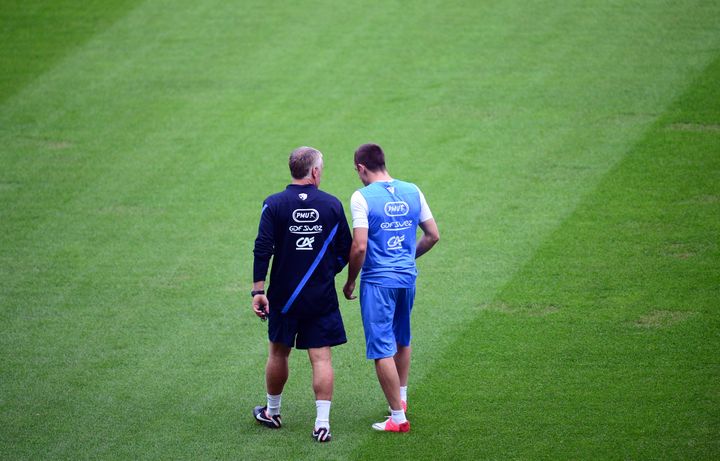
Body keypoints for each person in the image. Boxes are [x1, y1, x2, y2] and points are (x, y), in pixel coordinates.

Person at [252, 146, 352, 442]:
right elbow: (345, 250)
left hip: (283, 295)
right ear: (315, 172)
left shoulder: (274, 204)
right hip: (320, 296)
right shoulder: (332, 205)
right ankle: (322, 424)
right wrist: (326, 272)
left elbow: (262, 248)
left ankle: (272, 412)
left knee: (278, 352)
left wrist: (258, 290)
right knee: (321, 358)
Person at [343, 143, 440, 433]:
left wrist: (350, 281)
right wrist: (406, 257)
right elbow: (433, 235)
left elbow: (359, 246)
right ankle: (402, 398)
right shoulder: (413, 190)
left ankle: (397, 418)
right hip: (407, 278)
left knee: (381, 348)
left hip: (377, 282)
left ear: (361, 168)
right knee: (402, 337)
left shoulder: (362, 197)